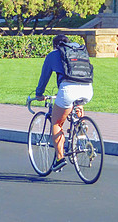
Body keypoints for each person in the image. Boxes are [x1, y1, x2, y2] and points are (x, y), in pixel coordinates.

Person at [34, 34, 94, 168]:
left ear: (55, 46)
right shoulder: (78, 52)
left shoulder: (53, 55)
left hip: (68, 89)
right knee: (77, 104)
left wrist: (39, 94)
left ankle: (60, 159)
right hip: (87, 88)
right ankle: (81, 125)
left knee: (56, 122)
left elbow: (44, 78)